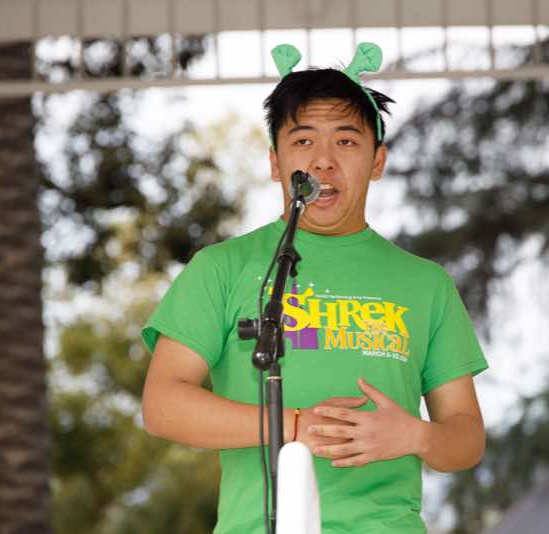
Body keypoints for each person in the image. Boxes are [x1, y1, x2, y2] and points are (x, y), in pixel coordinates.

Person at [140, 43, 488, 534]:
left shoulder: (426, 283)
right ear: (275, 163)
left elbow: (467, 438)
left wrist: (416, 437)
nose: (323, 161)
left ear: (377, 161)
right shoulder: (221, 268)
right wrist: (294, 425)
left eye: (346, 141)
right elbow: (162, 406)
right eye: (303, 141)